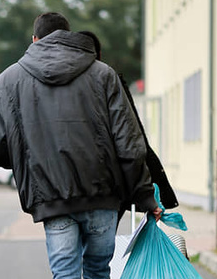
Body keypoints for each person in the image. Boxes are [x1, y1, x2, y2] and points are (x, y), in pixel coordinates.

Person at [0, 12, 162, 279]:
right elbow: (130, 143)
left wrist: (26, 159)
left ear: (35, 40)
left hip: (50, 195)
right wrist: (145, 194)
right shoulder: (102, 74)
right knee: (98, 274)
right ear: (70, 37)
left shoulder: (9, 79)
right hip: (102, 193)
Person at [77, 30, 179, 223]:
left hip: (72, 188)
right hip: (112, 184)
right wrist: (146, 195)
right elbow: (131, 140)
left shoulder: (62, 87)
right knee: (99, 251)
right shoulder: (110, 81)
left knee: (79, 250)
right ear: (98, 55)